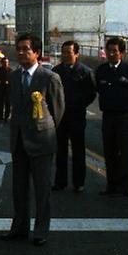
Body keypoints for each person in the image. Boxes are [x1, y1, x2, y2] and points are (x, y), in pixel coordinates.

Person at [1, 33, 64, 246]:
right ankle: (19, 227)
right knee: (19, 188)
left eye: (26, 49)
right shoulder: (13, 77)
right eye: (18, 48)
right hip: (19, 140)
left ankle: (41, 230)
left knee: (42, 188)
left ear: (37, 53)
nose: (20, 52)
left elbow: (58, 112)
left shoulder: (49, 78)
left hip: (41, 140)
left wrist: (44, 130)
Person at [95, 37, 128, 197]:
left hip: (124, 117)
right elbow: (99, 90)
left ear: (121, 53)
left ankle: (125, 187)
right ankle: (111, 185)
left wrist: (127, 108)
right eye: (109, 50)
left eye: (115, 51)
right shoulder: (101, 71)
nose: (111, 54)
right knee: (109, 152)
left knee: (125, 153)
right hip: (108, 116)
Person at [52, 41, 97, 192]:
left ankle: (79, 183)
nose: (65, 55)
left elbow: (91, 94)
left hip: (77, 116)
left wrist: (79, 104)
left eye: (68, 52)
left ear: (76, 54)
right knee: (60, 150)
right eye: (63, 52)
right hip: (60, 117)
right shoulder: (56, 71)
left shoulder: (85, 72)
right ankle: (60, 182)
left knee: (78, 150)